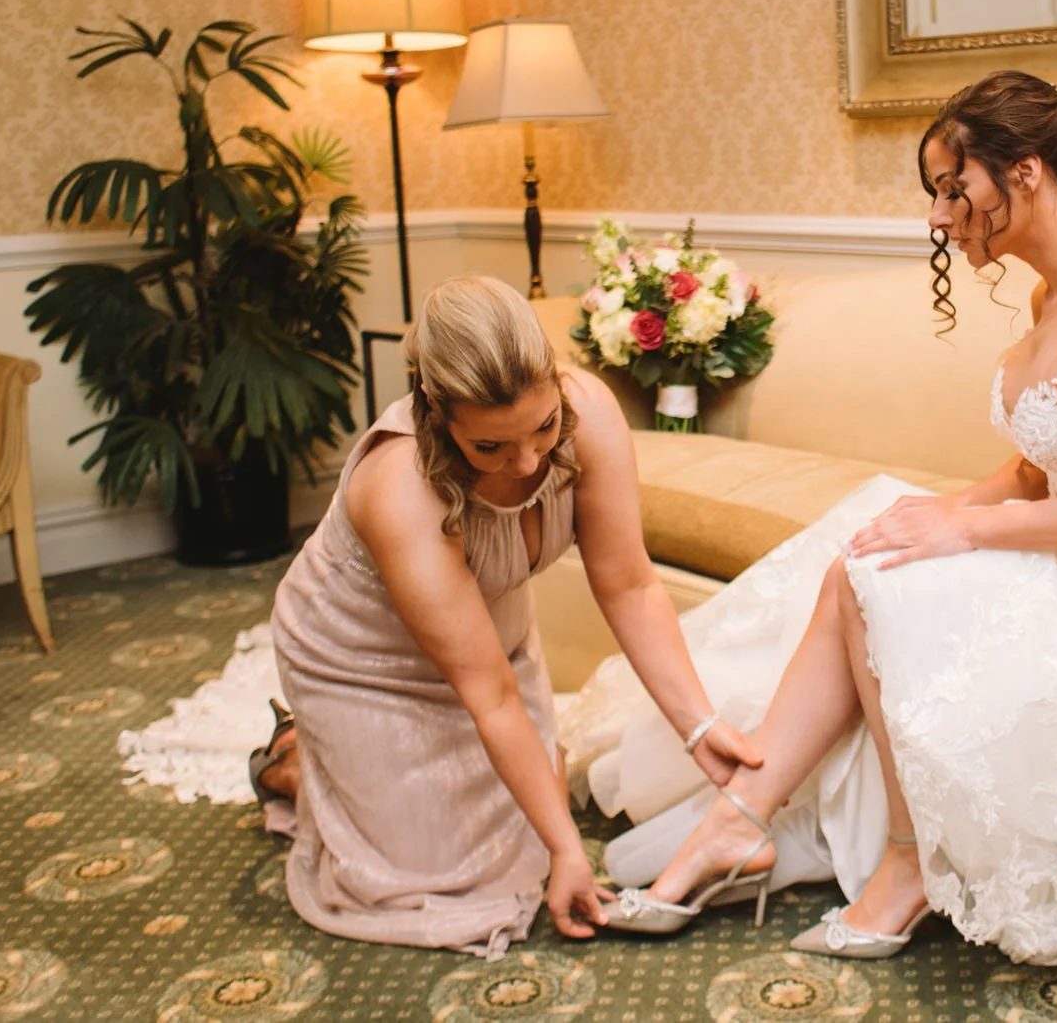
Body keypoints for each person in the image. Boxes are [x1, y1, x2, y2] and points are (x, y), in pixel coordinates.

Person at [563, 70, 1057, 967]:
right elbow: (1039, 467)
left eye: (951, 186)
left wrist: (963, 531)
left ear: (1027, 172)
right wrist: (945, 506)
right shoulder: (1055, 293)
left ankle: (901, 861)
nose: (939, 216)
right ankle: (738, 820)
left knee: (877, 576)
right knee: (868, 533)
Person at [255, 276, 761, 956]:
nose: (528, 462)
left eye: (544, 427)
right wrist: (565, 849)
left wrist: (699, 726)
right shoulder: (400, 485)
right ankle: (290, 760)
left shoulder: (590, 411)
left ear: (556, 382)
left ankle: (331, 769)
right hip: (357, 657)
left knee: (513, 836)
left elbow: (630, 586)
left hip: (491, 632)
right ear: (437, 411)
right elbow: (489, 697)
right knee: (438, 880)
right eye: (490, 447)